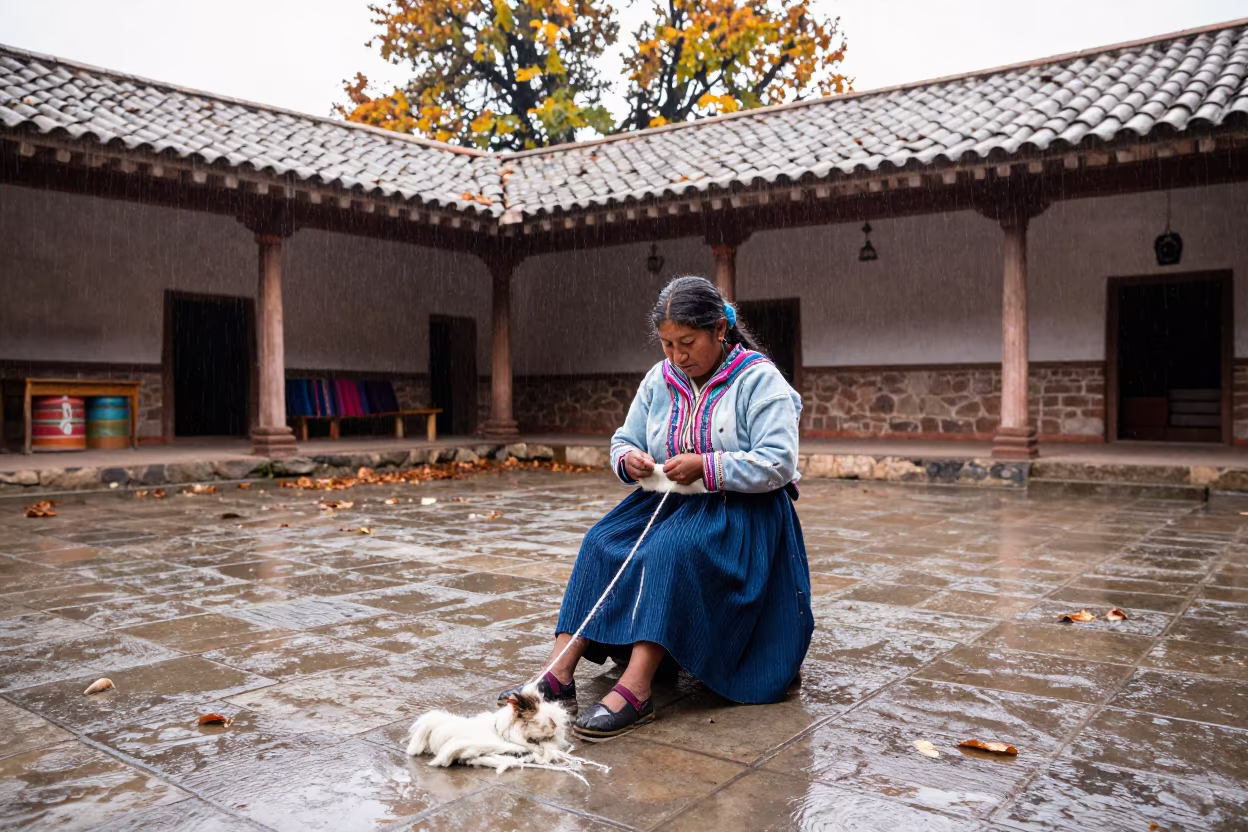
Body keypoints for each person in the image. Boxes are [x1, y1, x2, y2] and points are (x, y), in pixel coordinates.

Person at [498, 275, 813, 740]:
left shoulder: (758, 379)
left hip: (742, 515)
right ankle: (558, 672)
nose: (677, 356)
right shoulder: (660, 378)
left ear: (719, 332)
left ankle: (637, 688)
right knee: (601, 542)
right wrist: (629, 458)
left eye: (687, 342)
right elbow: (624, 438)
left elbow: (778, 463)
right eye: (667, 344)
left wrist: (708, 464)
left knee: (669, 552)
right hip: (666, 503)